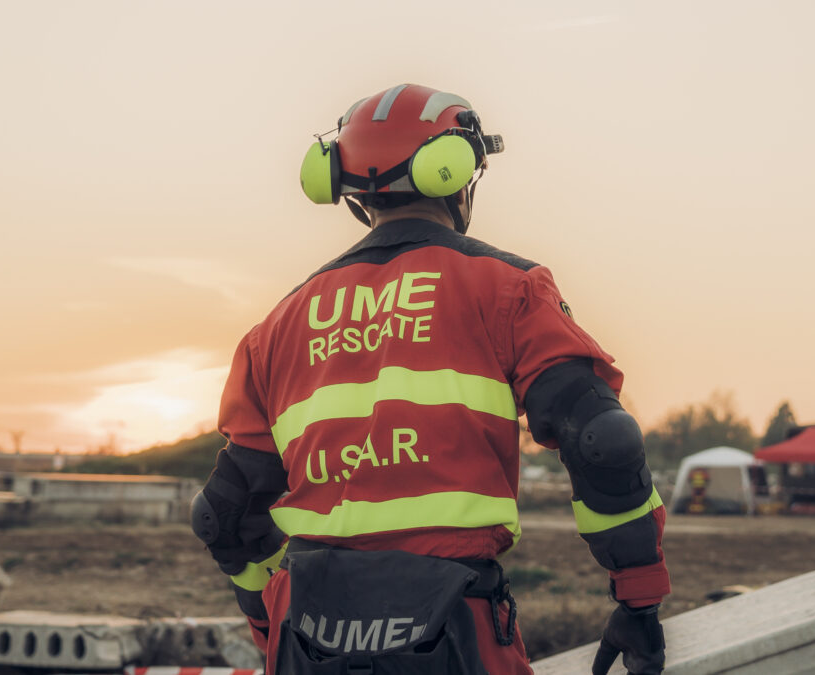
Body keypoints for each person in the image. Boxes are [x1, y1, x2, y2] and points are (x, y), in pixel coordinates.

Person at [191, 83, 669, 674]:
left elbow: (224, 514)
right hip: (451, 625)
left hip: (305, 632)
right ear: (454, 172)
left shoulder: (277, 326)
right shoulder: (506, 287)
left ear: (343, 186)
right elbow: (601, 439)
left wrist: (271, 623)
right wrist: (639, 600)